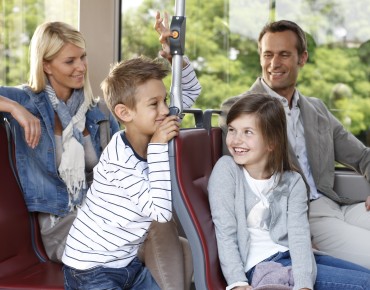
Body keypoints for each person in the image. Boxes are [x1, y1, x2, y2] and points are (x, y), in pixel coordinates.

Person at [0, 16, 201, 289]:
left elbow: (178, 98)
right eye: (69, 61)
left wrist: (176, 58)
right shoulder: (26, 101)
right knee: (160, 225)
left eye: (83, 57)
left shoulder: (96, 112)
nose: (81, 67)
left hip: (105, 210)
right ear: (46, 65)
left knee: (183, 246)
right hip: (61, 222)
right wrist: (15, 110)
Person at [220, 20, 370, 269]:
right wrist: (296, 236)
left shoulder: (317, 110)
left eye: (284, 54)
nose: (274, 63)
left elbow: (363, 156)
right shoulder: (238, 109)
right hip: (302, 218)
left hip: (335, 204)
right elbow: (253, 187)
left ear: (302, 58)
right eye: (267, 54)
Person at [62, 54, 198, 289]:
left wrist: (176, 57)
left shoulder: (154, 124)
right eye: (154, 104)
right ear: (125, 113)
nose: (166, 110)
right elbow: (161, 214)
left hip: (125, 262)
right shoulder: (120, 159)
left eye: (164, 100)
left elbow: (191, 92)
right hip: (90, 269)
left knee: (183, 252)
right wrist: (157, 147)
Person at [208, 93, 370, 290]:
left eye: (248, 132)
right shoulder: (227, 170)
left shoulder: (292, 181)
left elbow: (299, 235)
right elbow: (225, 231)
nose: (236, 140)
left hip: (298, 259)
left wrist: (303, 284)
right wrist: (237, 282)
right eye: (232, 130)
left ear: (271, 142)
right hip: (264, 267)